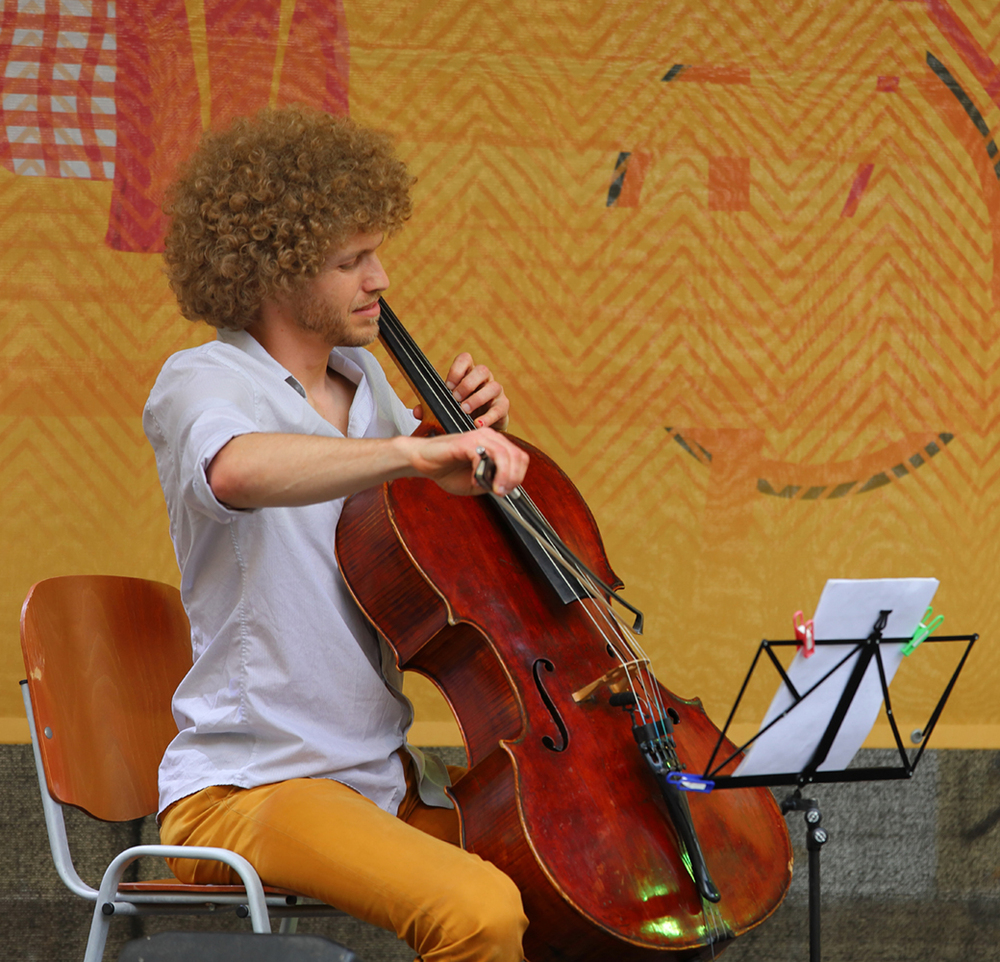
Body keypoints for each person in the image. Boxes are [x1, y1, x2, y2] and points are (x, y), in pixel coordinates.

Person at [143, 105, 530, 962]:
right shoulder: (203, 381)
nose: (380, 277)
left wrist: (467, 448)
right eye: (350, 261)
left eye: (376, 252)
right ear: (277, 270)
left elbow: (424, 559)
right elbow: (236, 471)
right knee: (479, 916)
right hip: (252, 785)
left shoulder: (370, 389)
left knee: (575, 889)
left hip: (376, 779)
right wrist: (407, 453)